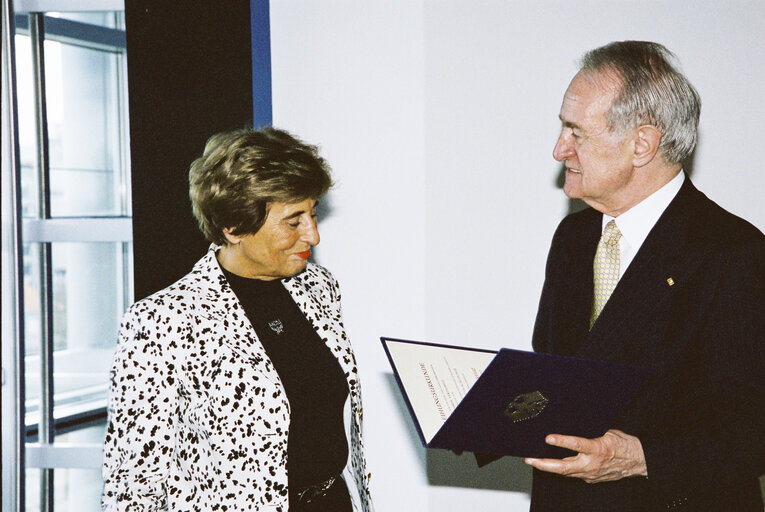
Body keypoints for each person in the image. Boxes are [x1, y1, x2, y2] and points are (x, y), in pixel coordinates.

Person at [524, 41, 764, 511]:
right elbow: (555, 375)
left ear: (642, 144)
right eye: (561, 128)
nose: (559, 150)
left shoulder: (733, 253)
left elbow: (755, 425)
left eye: (576, 132)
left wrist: (640, 457)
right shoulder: (573, 237)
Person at [102, 127, 373, 511]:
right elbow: (132, 485)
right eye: (294, 221)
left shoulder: (319, 287)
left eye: (312, 214)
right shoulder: (160, 322)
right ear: (233, 227)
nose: (312, 235)